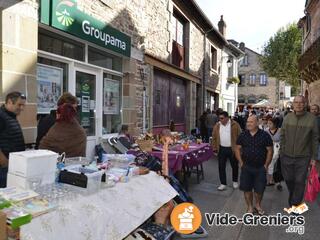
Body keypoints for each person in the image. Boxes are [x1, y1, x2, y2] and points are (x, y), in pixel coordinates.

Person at [280, 96, 319, 212]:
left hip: (303, 156)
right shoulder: (287, 118)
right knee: (288, 179)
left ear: (305, 104)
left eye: (301, 102)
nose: (298, 105)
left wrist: (314, 157)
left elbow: (314, 139)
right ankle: (293, 197)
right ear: (293, 104)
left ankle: (295, 205)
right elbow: (282, 135)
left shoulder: (312, 119)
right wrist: (282, 150)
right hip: (286, 155)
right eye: (296, 102)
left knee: (299, 181)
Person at [235, 115, 273, 214]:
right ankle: (250, 207)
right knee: (246, 189)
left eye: (251, 122)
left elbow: (270, 150)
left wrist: (266, 165)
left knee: (259, 190)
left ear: (257, 123)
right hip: (246, 167)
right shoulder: (243, 135)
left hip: (260, 167)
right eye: (248, 122)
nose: (248, 124)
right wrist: (241, 162)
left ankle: (258, 205)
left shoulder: (265, 135)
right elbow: (237, 149)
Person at [0, 92, 26, 187]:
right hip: (5, 168)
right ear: (10, 102)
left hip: (13, 165)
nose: (22, 108)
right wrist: (4, 163)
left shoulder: (10, 116)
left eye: (23, 105)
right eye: (19, 105)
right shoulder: (1, 116)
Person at [212, 111, 242, 190]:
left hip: (232, 149)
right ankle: (223, 183)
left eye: (222, 118)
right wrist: (214, 148)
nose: (220, 120)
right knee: (221, 166)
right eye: (219, 118)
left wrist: (239, 148)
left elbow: (240, 136)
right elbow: (214, 137)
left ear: (227, 118)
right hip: (221, 149)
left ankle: (235, 181)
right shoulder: (217, 125)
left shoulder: (235, 125)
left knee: (234, 166)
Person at [265, 117, 283, 191]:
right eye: (268, 123)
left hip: (278, 150)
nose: (268, 125)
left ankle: (278, 182)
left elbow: (283, 140)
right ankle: (270, 180)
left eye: (270, 123)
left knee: (278, 166)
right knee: (270, 165)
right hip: (269, 150)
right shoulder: (266, 130)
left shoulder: (280, 131)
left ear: (275, 124)